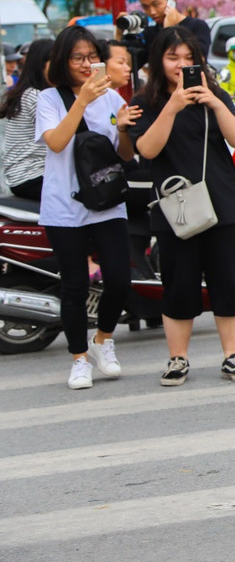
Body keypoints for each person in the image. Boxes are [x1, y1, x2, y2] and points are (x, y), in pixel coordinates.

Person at [127, 27, 235, 387]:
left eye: (189, 58)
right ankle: (177, 359)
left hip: (223, 202)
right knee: (179, 285)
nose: (182, 65)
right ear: (158, 61)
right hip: (175, 208)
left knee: (228, 282)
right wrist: (173, 106)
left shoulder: (216, 96)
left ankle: (233, 357)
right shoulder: (145, 104)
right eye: (172, 58)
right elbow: (148, 150)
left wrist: (214, 102)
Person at [35, 26, 140, 390]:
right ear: (64, 61)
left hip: (106, 203)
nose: (84, 64)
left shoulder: (112, 100)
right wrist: (82, 100)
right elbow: (57, 142)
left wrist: (124, 130)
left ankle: (102, 341)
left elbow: (124, 157)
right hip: (64, 206)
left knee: (119, 279)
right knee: (75, 286)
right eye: (77, 58)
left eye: (90, 57)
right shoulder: (49, 99)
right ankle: (79, 359)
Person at [1, 38, 53, 199]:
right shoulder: (35, 96)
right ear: (41, 64)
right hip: (30, 175)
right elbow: (60, 140)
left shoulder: (32, 92)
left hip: (31, 173)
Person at [133, 0, 213, 55]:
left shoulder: (198, 26)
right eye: (146, 7)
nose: (152, 12)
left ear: (171, 1)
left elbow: (198, 57)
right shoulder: (150, 33)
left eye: (156, 4)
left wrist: (169, 30)